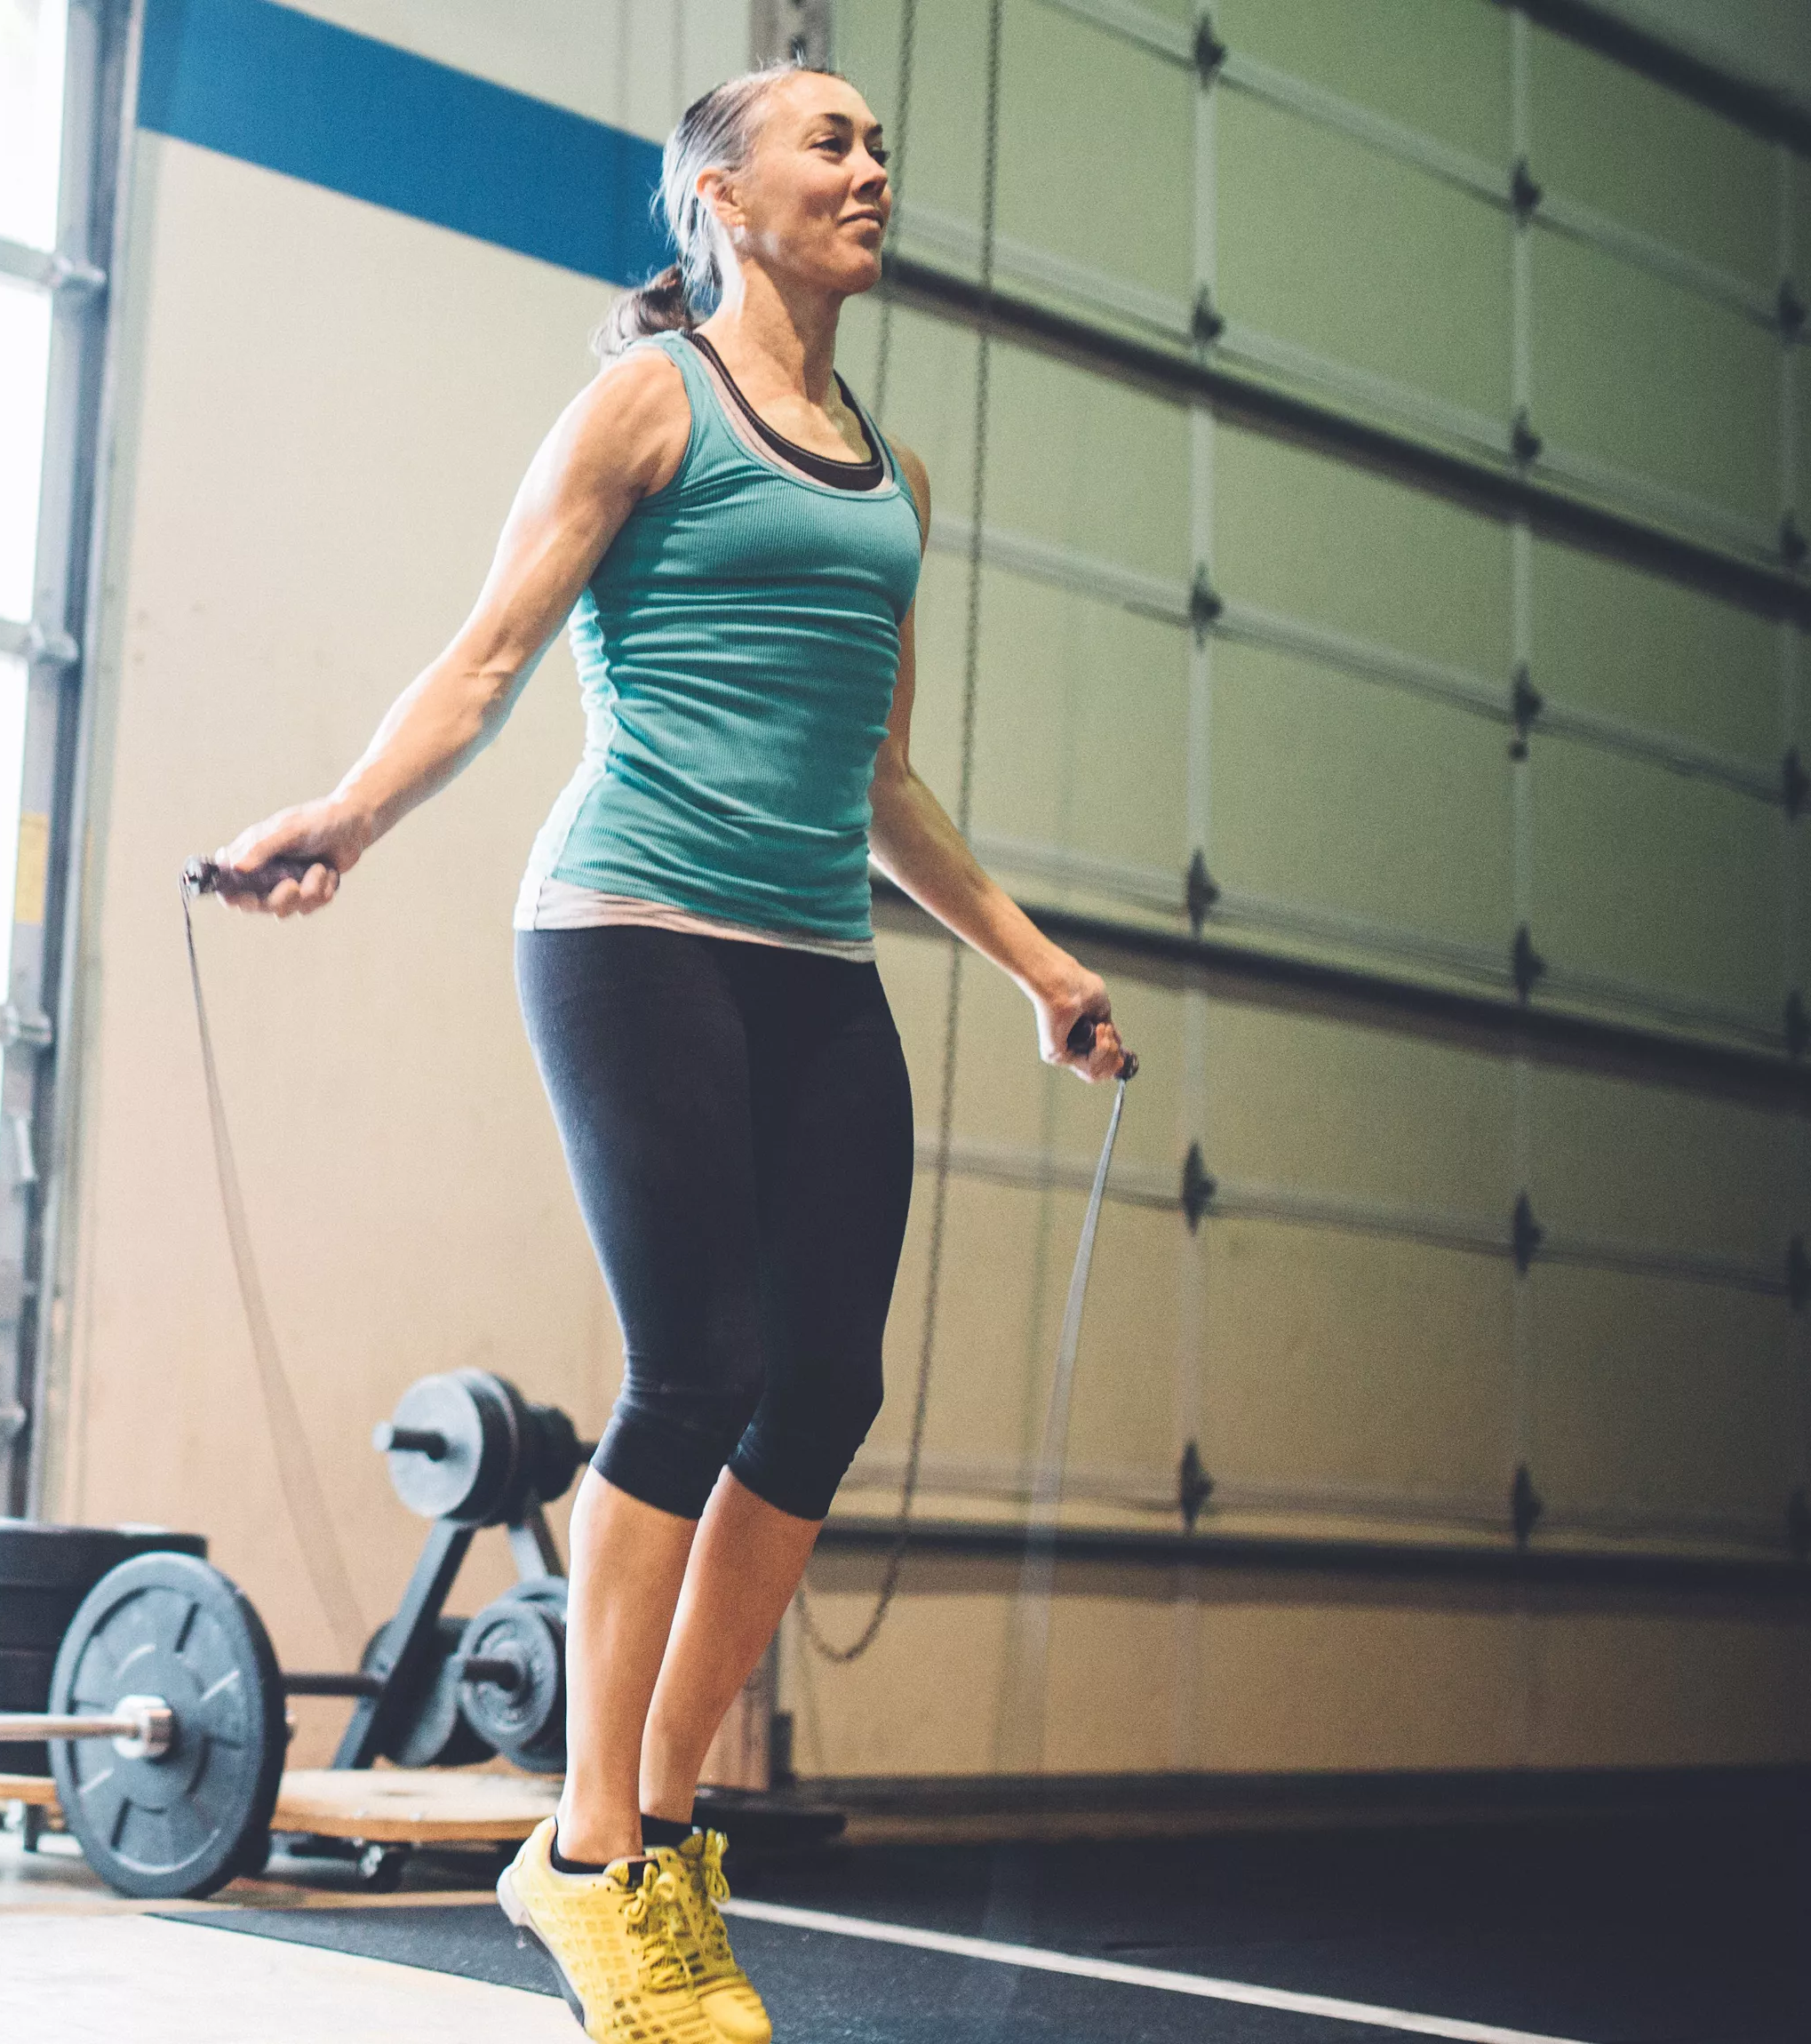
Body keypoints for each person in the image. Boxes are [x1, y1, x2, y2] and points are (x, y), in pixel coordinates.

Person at [206, 60, 1130, 2044]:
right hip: (627, 929)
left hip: (809, 955)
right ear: (715, 193)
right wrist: (345, 821)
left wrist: (1039, 964)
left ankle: (657, 1823)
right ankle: (599, 1845)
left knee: (825, 1390)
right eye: (830, 140)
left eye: (883, 140)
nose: (871, 165)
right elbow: (485, 659)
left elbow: (883, 783)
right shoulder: (647, 401)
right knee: (696, 1364)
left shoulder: (891, 472)